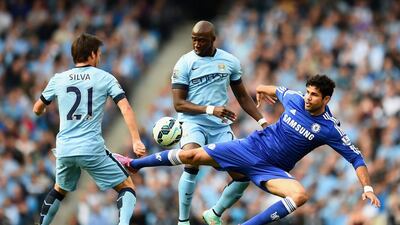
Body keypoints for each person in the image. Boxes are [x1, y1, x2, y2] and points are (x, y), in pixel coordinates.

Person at [114, 74, 381, 225]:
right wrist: (262, 94)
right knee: (191, 155)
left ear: (326, 99)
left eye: (314, 95)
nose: (308, 97)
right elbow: (265, 87)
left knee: (300, 195)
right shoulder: (295, 99)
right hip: (249, 147)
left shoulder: (329, 128)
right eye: (308, 92)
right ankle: (132, 164)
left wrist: (367, 188)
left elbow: (356, 157)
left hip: (271, 169)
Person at [33, 33, 147, 225]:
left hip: (65, 149)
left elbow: (37, 108)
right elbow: (125, 108)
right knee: (126, 186)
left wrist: (43, 109)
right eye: (99, 54)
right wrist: (136, 140)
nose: (100, 57)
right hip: (90, 147)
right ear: (93, 54)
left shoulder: (58, 79)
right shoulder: (105, 78)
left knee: (59, 189)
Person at [170, 20, 267, 225]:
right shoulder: (184, 63)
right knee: (191, 160)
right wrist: (210, 109)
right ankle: (183, 220)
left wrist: (262, 120)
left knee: (243, 176)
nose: (196, 44)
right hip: (193, 122)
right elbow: (178, 104)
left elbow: (242, 97)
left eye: (202, 40)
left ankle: (214, 212)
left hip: (219, 126)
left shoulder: (229, 61)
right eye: (194, 40)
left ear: (213, 40)